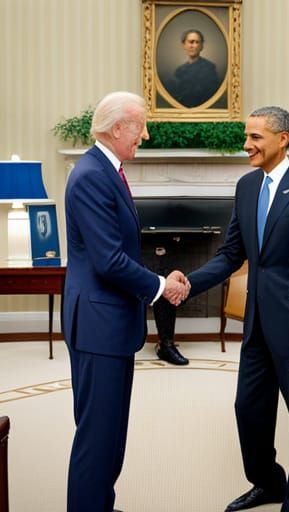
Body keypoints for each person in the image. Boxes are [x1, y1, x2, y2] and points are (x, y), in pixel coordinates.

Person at [185, 106, 289, 511]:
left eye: (255, 137)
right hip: (256, 327)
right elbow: (232, 253)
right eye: (246, 136)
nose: (246, 145)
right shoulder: (247, 186)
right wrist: (188, 282)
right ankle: (268, 482)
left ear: (282, 139)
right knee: (248, 410)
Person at [62, 91, 190, 512]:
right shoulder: (92, 175)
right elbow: (109, 260)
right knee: (97, 439)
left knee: (110, 434)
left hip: (109, 324)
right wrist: (160, 287)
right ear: (118, 128)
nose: (146, 134)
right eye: (140, 126)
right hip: (99, 326)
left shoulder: (106, 169)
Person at [166, 29, 220, 108]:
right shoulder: (179, 71)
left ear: (201, 46)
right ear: (183, 45)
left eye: (197, 42)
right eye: (191, 42)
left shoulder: (209, 68)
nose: (194, 46)